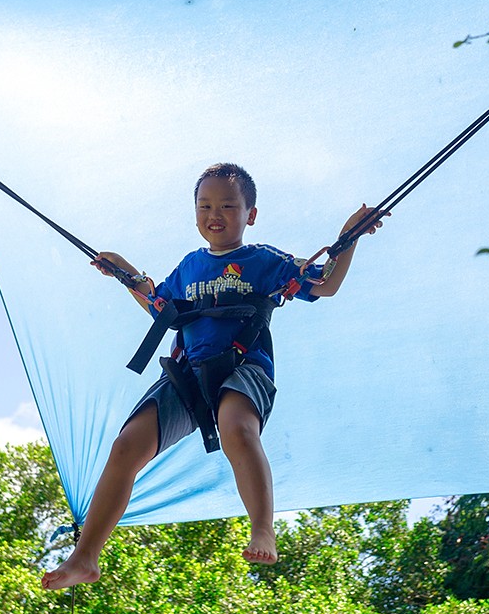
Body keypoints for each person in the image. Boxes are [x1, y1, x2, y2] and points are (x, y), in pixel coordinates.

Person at [42, 162, 380, 589]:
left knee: (236, 427)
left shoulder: (265, 260)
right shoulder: (189, 267)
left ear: (250, 215)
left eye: (227, 205)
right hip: (186, 372)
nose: (214, 213)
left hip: (243, 367)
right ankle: (86, 556)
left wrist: (347, 237)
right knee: (127, 445)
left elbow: (324, 282)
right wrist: (124, 271)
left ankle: (262, 527)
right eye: (204, 205)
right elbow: (158, 305)